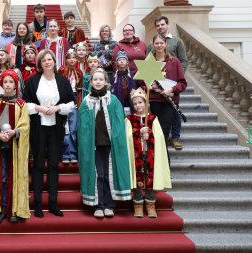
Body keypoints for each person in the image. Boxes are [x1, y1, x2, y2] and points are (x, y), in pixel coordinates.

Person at [22, 49, 75, 218]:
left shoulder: (63, 81)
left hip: (56, 128)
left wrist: (58, 107)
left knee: (53, 165)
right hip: (38, 127)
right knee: (38, 165)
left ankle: (53, 202)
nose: (47, 62)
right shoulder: (33, 80)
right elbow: (25, 103)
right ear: (40, 63)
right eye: (44, 60)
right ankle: (37, 204)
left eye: (49, 59)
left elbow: (72, 104)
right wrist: (39, 108)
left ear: (54, 61)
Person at [77, 68, 132, 218]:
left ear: (105, 82)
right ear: (91, 82)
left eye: (101, 79)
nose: (98, 82)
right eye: (95, 80)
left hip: (110, 145)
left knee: (108, 175)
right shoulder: (86, 102)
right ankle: (98, 205)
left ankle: (109, 205)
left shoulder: (113, 101)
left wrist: (117, 140)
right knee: (98, 175)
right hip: (93, 145)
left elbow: (119, 124)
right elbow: (82, 126)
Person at [0, 70, 30, 222]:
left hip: (15, 146)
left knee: (15, 177)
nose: (8, 85)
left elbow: (25, 126)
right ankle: (3, 208)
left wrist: (14, 132)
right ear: (1, 84)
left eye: (11, 82)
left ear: (16, 85)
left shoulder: (21, 104)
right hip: (0, 146)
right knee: (3, 178)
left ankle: (15, 209)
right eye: (5, 82)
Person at [125, 88, 171, 218]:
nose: (138, 105)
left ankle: (150, 203)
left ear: (145, 103)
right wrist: (137, 132)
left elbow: (159, 138)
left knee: (149, 177)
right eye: (135, 104)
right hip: (136, 154)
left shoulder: (152, 118)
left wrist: (149, 135)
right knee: (137, 177)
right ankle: (138, 203)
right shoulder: (129, 119)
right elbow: (126, 137)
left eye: (140, 102)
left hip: (149, 153)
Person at [146, 16, 188, 150]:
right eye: (156, 43)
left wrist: (171, 90)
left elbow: (182, 83)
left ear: (165, 44)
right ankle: (160, 158)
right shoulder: (150, 62)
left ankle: (160, 158)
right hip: (155, 100)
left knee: (163, 130)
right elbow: (143, 82)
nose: (159, 45)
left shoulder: (174, 61)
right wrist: (150, 86)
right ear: (153, 45)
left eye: (161, 43)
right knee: (157, 129)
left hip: (170, 100)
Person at [57, 49, 83, 164]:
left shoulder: (79, 72)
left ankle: (73, 153)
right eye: (69, 57)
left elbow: (80, 89)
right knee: (65, 128)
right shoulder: (62, 70)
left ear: (77, 59)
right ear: (66, 59)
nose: (72, 59)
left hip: (75, 100)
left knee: (73, 128)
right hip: (63, 100)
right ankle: (65, 153)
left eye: (74, 57)